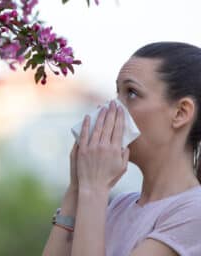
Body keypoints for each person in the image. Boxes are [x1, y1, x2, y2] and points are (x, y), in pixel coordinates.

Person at [42, 42, 201, 256]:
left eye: (132, 93)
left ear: (181, 113)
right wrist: (77, 189)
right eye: (118, 93)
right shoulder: (120, 206)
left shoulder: (193, 212)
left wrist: (94, 188)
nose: (112, 108)